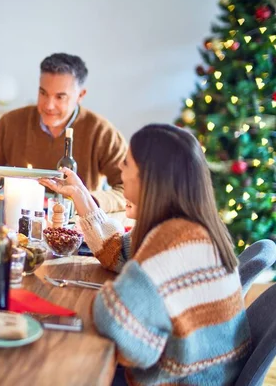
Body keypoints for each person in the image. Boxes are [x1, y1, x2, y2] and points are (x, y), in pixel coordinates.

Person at [40, 124, 250, 385]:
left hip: (181, 381)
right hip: (206, 375)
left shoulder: (173, 239)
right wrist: (80, 194)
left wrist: (105, 296)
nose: (120, 168)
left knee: (58, 360)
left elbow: (116, 322)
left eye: (127, 163)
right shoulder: (191, 228)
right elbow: (119, 253)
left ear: (148, 177)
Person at [0, 53, 127, 212]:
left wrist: (88, 200)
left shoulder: (101, 131)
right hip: (17, 224)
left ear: (80, 95)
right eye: (43, 93)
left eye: (60, 97)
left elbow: (129, 188)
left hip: (76, 229)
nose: (48, 105)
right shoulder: (11, 122)